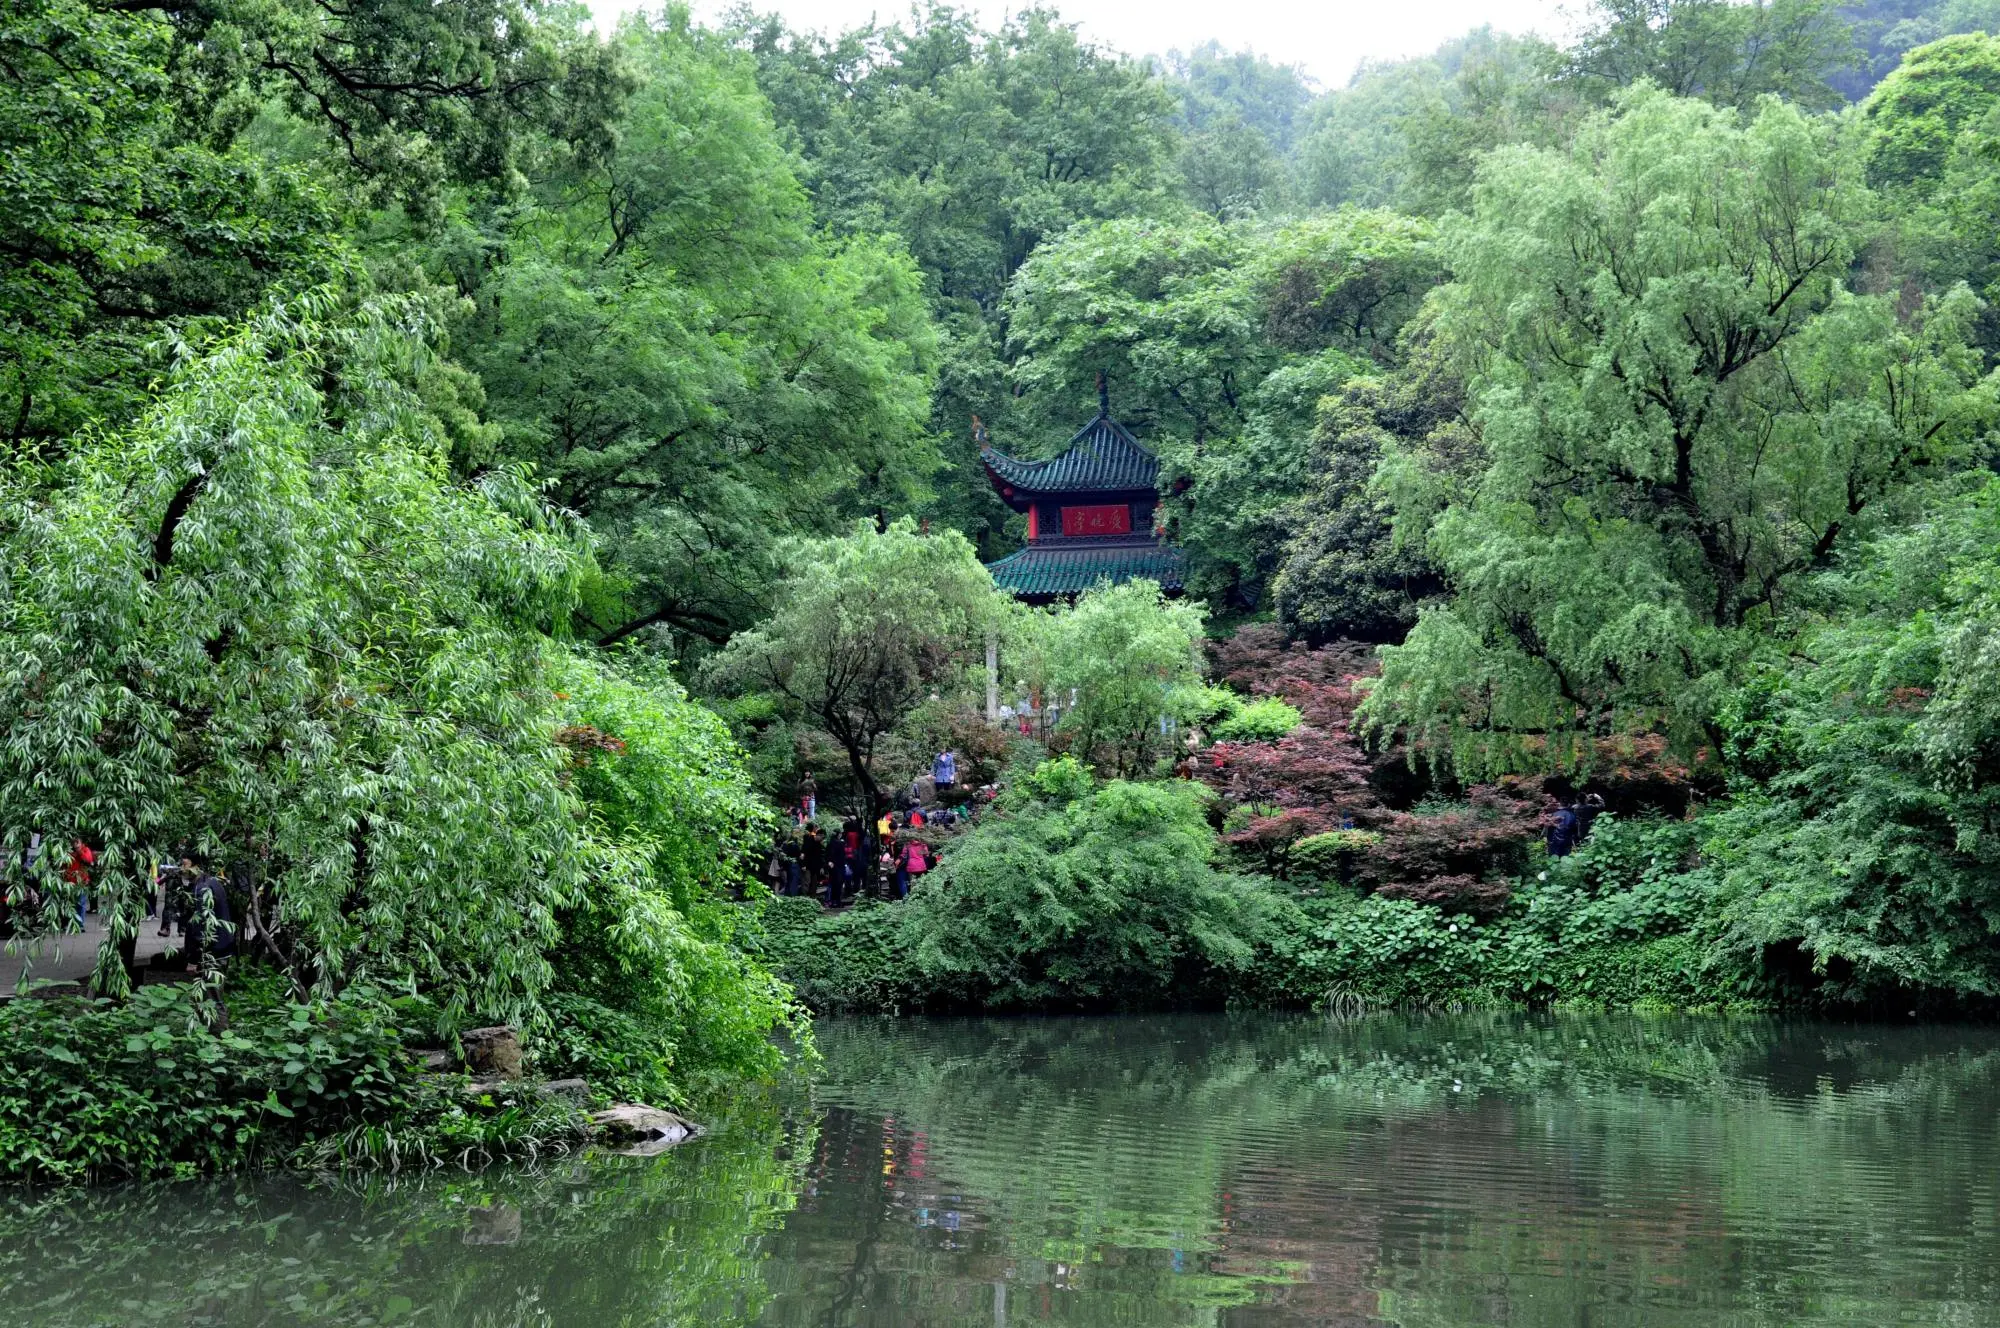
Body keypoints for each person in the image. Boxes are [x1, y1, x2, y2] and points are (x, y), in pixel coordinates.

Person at [802, 826, 825, 895]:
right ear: (818, 835)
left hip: (815, 867)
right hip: (807, 866)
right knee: (807, 882)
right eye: (822, 837)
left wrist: (821, 867)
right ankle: (804, 897)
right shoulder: (809, 840)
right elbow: (804, 853)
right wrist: (803, 865)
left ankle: (812, 897)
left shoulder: (819, 845)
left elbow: (819, 856)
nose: (822, 839)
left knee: (814, 883)